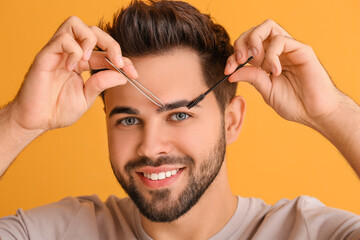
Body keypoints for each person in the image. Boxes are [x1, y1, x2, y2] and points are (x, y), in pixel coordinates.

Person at [0, 0, 359, 239]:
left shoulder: (307, 232)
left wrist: (330, 112)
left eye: (180, 114)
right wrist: (20, 121)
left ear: (231, 121)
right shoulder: (62, 232)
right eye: (127, 120)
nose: (150, 146)